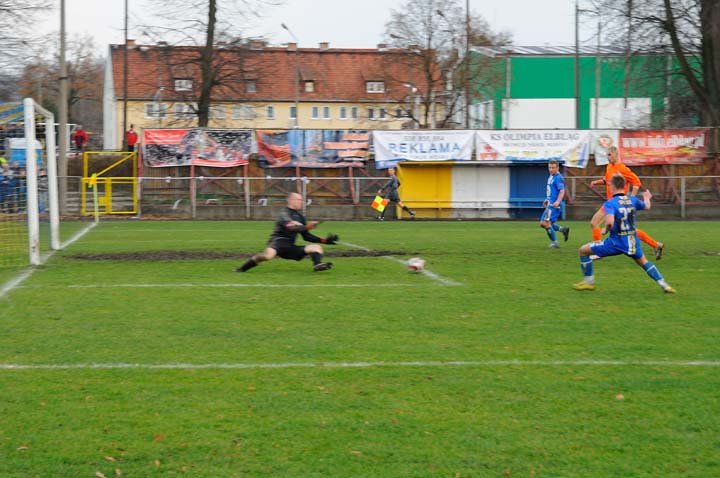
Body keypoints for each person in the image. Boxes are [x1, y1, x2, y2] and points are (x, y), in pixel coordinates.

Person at [573, 174, 675, 293]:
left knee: (583, 250)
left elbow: (610, 222)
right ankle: (665, 285)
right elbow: (647, 206)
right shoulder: (632, 200)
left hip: (616, 243)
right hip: (632, 242)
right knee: (644, 262)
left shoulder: (610, 203)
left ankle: (589, 282)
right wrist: (647, 197)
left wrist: (605, 230)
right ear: (624, 186)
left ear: (613, 186)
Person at [589, 146, 664, 259]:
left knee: (596, 222)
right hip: (611, 204)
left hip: (618, 204)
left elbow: (637, 182)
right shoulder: (609, 167)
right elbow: (607, 180)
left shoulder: (623, 169)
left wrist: (630, 198)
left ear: (616, 154)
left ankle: (599, 251)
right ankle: (656, 245)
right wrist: (597, 182)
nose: (608, 157)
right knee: (628, 230)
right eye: (607, 155)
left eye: (609, 155)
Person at [236, 192, 339, 272]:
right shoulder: (284, 213)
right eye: (299, 200)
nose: (301, 202)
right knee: (268, 256)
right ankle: (242, 268)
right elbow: (291, 228)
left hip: (290, 247)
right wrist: (307, 226)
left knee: (316, 247)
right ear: (291, 200)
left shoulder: (300, 217)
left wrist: (325, 241)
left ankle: (317, 265)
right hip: (277, 243)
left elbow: (306, 237)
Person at [540, 159, 570, 248]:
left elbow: (562, 191)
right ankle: (563, 229)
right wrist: (547, 199)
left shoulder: (558, 178)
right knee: (546, 223)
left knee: (545, 223)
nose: (551, 169)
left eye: (553, 168)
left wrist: (557, 201)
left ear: (557, 168)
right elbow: (552, 191)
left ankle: (555, 243)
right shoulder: (551, 176)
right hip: (550, 204)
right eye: (549, 167)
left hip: (554, 205)